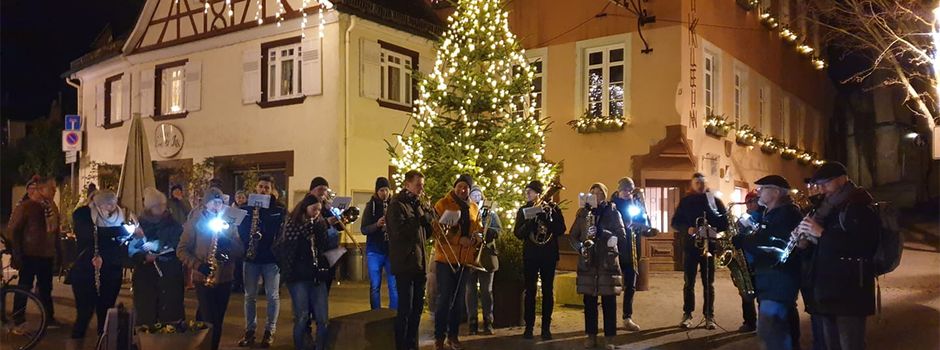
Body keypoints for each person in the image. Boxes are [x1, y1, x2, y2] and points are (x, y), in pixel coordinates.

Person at [796, 162, 880, 350]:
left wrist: (821, 233)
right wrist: (804, 241)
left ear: (842, 180)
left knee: (850, 344)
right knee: (831, 345)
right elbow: (823, 248)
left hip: (850, 292)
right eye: (819, 185)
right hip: (828, 291)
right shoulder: (827, 208)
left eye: (825, 183)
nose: (822, 189)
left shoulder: (859, 205)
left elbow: (863, 246)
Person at [732, 176, 803, 349]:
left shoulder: (787, 214)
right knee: (772, 333)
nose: (759, 192)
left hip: (779, 281)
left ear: (776, 192)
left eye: (763, 188)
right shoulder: (772, 213)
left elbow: (775, 245)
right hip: (771, 280)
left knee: (773, 333)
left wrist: (745, 241)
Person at [178, 187, 245, 350]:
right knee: (210, 319)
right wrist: (198, 265)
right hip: (203, 277)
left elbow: (240, 250)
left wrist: (228, 244)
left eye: (220, 202)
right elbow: (181, 250)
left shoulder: (228, 223)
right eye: (214, 202)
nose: (217, 206)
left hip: (225, 277)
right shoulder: (195, 221)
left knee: (218, 319)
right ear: (206, 204)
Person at [272, 194, 332, 350]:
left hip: (317, 275)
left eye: (319, 210)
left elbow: (325, 246)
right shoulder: (292, 225)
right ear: (305, 208)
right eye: (314, 209)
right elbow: (284, 250)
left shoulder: (319, 225)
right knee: (302, 317)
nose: (317, 213)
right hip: (298, 276)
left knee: (323, 318)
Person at [570, 183, 625, 349]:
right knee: (589, 302)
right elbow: (573, 236)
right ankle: (591, 335)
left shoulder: (613, 212)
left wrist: (605, 234)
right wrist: (580, 247)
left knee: (608, 302)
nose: (595, 195)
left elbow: (621, 235)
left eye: (599, 192)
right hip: (588, 263)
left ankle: (609, 338)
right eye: (592, 192)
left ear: (604, 195)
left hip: (606, 263)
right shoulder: (582, 213)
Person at [431, 174, 483, 350]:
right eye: (460, 186)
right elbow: (437, 231)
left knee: (458, 300)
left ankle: (453, 336)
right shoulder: (442, 204)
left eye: (466, 187)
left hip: (465, 260)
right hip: (446, 259)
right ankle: (439, 337)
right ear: (455, 187)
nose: (462, 190)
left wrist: (476, 239)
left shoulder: (474, 207)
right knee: (444, 299)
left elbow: (479, 228)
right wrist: (458, 240)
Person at [68, 189, 129, 339]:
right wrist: (121, 230)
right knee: (84, 312)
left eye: (114, 204)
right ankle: (77, 341)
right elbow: (91, 233)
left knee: (106, 312)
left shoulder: (120, 215)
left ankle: (104, 342)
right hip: (86, 271)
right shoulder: (83, 214)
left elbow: (121, 243)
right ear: (98, 203)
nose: (112, 207)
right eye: (108, 204)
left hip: (111, 270)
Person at [671, 172, 729, 330]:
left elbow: (725, 222)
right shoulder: (686, 201)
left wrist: (713, 228)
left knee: (708, 284)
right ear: (692, 184)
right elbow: (675, 222)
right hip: (691, 247)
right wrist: (687, 228)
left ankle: (709, 315)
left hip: (708, 246)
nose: (700, 185)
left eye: (702, 182)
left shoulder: (714, 201)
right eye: (697, 182)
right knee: (689, 282)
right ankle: (687, 314)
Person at [5, 176, 63, 331]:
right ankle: (18, 319)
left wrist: (59, 252)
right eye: (51, 188)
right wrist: (16, 253)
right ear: (41, 189)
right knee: (24, 287)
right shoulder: (27, 207)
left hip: (47, 255)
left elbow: (56, 232)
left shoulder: (52, 207)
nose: (54, 191)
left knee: (46, 287)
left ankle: (48, 317)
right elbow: (14, 230)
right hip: (29, 254)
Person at [513, 180, 566, 340]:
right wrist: (532, 220)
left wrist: (548, 219)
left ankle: (546, 328)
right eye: (526, 191)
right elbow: (518, 233)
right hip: (531, 255)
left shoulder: (553, 208)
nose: (527, 194)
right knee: (530, 291)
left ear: (538, 193)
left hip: (548, 255)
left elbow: (561, 229)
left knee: (548, 291)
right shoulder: (524, 210)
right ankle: (529, 327)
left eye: (530, 191)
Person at [236, 175, 286, 348]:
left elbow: (282, 232)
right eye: (261, 186)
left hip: (271, 259)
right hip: (251, 258)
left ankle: (269, 331)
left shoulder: (279, 209)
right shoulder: (247, 208)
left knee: (272, 296)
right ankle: (249, 331)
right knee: (250, 296)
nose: (263, 190)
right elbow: (238, 229)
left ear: (272, 190)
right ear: (256, 188)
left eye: (267, 187)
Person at [387, 170, 434, 350]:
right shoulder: (397, 205)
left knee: (417, 308)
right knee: (405, 309)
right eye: (418, 185)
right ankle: (402, 345)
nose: (421, 189)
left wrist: (428, 222)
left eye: (422, 185)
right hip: (405, 263)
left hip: (419, 263)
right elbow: (398, 233)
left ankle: (412, 344)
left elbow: (423, 235)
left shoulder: (418, 204)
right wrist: (419, 220)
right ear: (407, 184)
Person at [128, 187, 185, 325]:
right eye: (157, 206)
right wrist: (142, 256)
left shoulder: (173, 224)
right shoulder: (139, 225)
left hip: (170, 274)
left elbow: (180, 243)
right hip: (145, 277)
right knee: (146, 315)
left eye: (163, 205)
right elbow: (130, 250)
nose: (161, 208)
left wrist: (160, 246)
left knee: (170, 315)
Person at [610, 177, 659, 332]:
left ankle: (627, 317)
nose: (627, 192)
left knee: (630, 286)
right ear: (618, 190)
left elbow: (646, 225)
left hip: (632, 250)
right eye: (624, 189)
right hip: (615, 250)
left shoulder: (636, 204)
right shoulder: (612, 206)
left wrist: (641, 224)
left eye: (629, 190)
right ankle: (609, 319)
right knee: (611, 287)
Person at [465, 185, 500, 336]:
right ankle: (472, 321)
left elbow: (498, 230)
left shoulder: (490, 213)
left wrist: (486, 234)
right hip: (469, 255)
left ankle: (488, 321)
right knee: (470, 291)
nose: (477, 197)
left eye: (479, 195)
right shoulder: (466, 211)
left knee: (487, 290)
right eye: (474, 195)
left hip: (486, 256)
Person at [360, 177, 399, 310]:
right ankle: (375, 313)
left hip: (391, 250)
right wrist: (376, 225)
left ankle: (394, 312)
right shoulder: (370, 206)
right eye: (381, 190)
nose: (384, 193)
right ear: (377, 191)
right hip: (374, 251)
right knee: (375, 285)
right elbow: (364, 229)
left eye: (386, 190)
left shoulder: (394, 205)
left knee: (393, 284)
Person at [735, 191, 763, 333]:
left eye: (754, 201)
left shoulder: (763, 216)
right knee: (746, 292)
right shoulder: (742, 219)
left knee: (762, 294)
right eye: (748, 201)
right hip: (745, 259)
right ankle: (749, 321)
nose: (751, 204)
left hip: (758, 259)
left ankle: (764, 324)